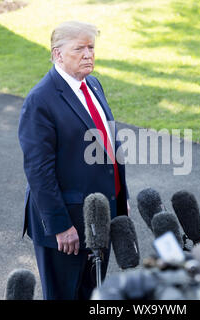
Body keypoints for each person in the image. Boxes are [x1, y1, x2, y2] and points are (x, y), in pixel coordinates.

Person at [18, 21, 129, 300]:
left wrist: (119, 194)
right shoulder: (40, 100)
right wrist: (60, 226)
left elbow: (107, 143)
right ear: (57, 54)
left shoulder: (92, 84)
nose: (88, 54)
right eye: (79, 48)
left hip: (100, 215)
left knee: (94, 295)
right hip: (66, 226)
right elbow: (38, 171)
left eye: (91, 47)